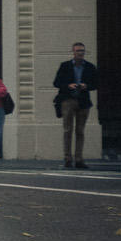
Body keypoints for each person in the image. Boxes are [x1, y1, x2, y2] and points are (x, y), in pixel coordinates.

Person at [52, 41, 99, 169]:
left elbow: (96, 83)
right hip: (68, 100)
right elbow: (56, 82)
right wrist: (68, 86)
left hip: (83, 101)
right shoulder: (65, 66)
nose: (80, 53)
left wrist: (86, 86)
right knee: (68, 130)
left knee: (80, 131)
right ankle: (67, 158)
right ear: (73, 52)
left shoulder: (90, 67)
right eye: (78, 51)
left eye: (82, 51)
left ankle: (79, 159)